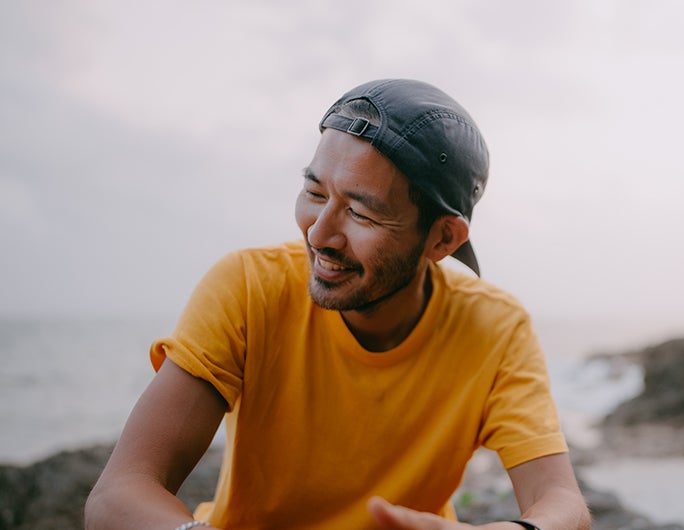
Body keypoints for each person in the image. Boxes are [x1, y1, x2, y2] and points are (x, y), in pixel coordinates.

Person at [85, 79, 591, 530]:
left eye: (361, 213)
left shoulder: (495, 327)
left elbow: (561, 502)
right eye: (313, 191)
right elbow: (117, 496)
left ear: (442, 238)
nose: (319, 233)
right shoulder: (248, 286)